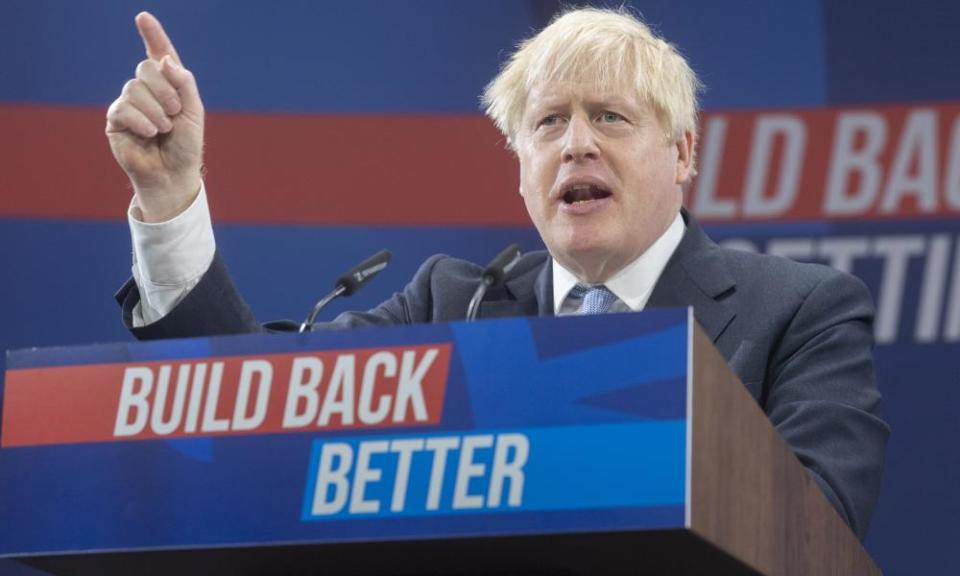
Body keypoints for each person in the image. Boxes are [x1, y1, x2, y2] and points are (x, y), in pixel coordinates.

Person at [106, 8, 888, 539]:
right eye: (548, 123)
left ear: (683, 153)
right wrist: (170, 196)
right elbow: (256, 416)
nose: (576, 144)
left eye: (609, 116)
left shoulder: (799, 312)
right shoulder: (453, 304)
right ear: (521, 166)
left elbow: (812, 528)